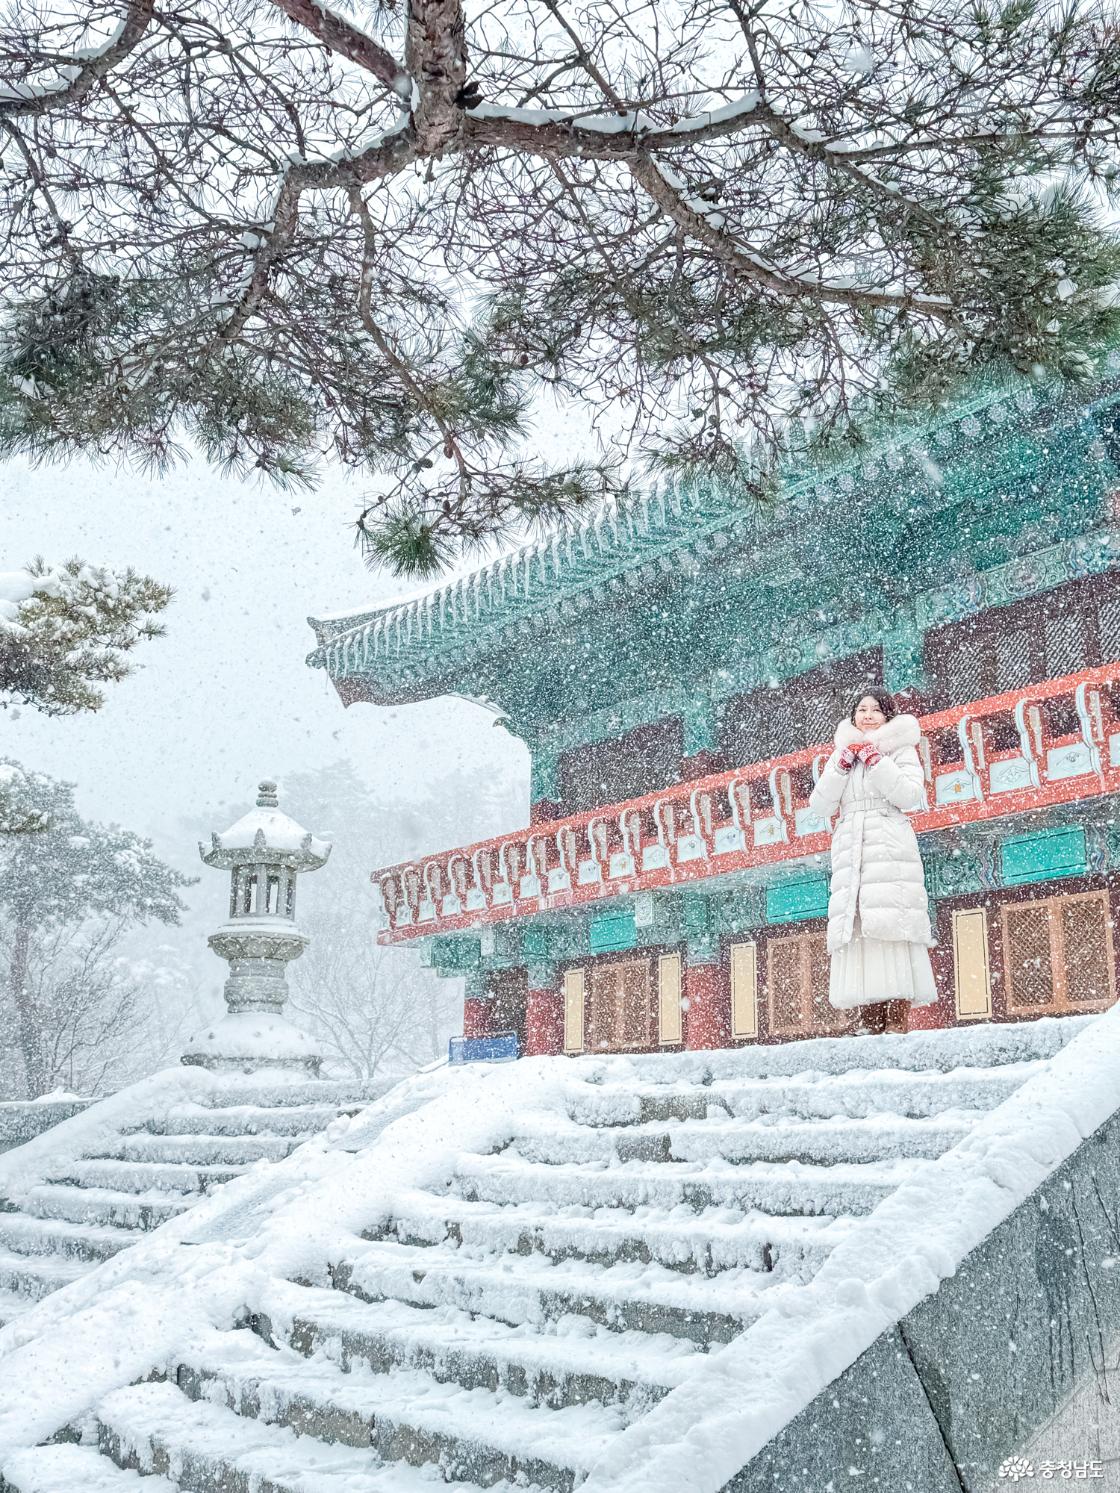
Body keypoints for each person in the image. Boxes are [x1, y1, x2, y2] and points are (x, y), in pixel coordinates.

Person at [807, 688, 938, 1035]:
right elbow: (820, 805)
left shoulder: (900, 750)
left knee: (892, 927)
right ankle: (867, 1023)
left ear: (888, 717)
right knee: (858, 929)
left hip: (888, 843)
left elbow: (910, 795)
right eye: (861, 710)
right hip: (851, 848)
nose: (867, 716)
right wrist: (842, 766)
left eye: (876, 711)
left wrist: (876, 761)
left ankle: (896, 1022)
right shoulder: (840, 756)